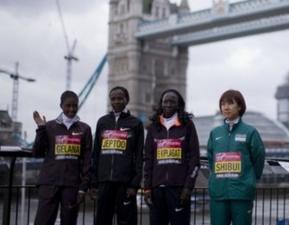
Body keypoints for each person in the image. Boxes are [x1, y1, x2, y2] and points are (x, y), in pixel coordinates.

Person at [32, 90, 92, 225]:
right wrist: (41, 129)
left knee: (69, 222)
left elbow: (87, 160)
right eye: (68, 105)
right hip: (49, 183)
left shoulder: (85, 129)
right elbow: (37, 152)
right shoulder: (49, 126)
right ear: (61, 106)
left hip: (72, 185)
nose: (71, 109)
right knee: (43, 221)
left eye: (75, 105)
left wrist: (83, 187)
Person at [207, 89, 265, 225]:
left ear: (239, 106)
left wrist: (249, 179)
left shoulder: (250, 132)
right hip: (219, 193)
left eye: (230, 103)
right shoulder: (215, 133)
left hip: (242, 193)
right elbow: (211, 159)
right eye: (223, 104)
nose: (225, 107)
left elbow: (259, 158)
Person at [143, 89, 200, 225]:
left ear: (178, 104)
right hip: (157, 190)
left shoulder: (188, 126)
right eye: (165, 101)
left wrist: (188, 187)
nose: (168, 104)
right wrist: (147, 187)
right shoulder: (153, 128)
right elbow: (148, 159)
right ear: (161, 104)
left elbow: (194, 159)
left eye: (172, 102)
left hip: (179, 189)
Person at [91, 86, 144, 225]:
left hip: (125, 183)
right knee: (102, 220)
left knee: (127, 221)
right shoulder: (102, 122)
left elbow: (139, 156)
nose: (116, 101)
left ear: (127, 100)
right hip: (104, 181)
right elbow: (96, 153)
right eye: (113, 99)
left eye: (120, 98)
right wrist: (94, 181)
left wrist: (134, 184)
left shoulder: (136, 123)